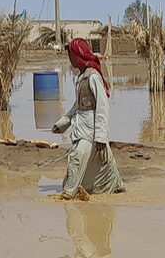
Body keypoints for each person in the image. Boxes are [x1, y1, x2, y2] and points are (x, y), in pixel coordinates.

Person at [53, 38, 124, 200]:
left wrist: (100, 136)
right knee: (102, 161)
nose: (69, 59)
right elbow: (77, 106)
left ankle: (68, 194)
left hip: (91, 130)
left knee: (77, 159)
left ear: (77, 56)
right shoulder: (82, 77)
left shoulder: (92, 77)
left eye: (70, 55)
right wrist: (63, 124)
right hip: (83, 128)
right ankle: (115, 188)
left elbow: (102, 106)